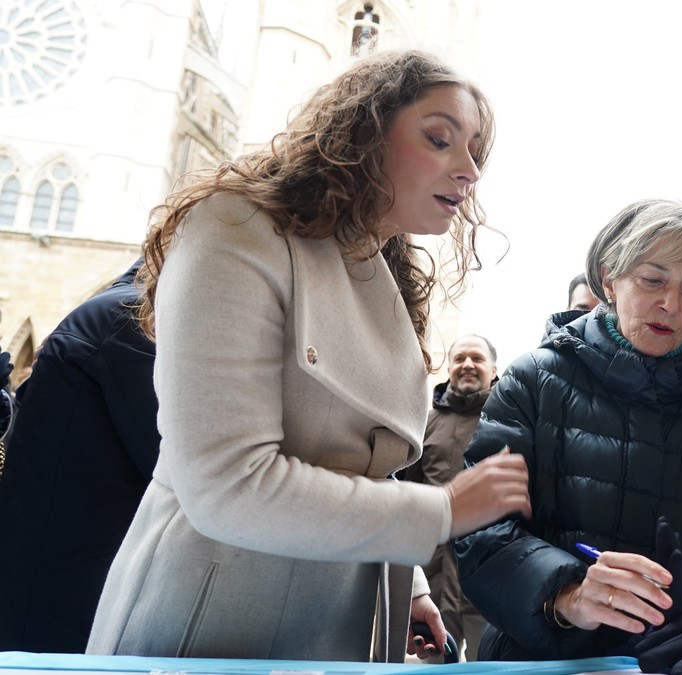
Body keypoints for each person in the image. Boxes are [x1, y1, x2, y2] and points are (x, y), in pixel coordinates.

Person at [86, 50, 531, 663]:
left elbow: (360, 465)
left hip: (331, 627)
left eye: (475, 153)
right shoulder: (236, 229)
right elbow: (224, 483)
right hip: (205, 625)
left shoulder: (382, 269)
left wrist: (410, 583)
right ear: (365, 132)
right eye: (439, 138)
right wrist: (443, 510)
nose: (468, 171)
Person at [456, 199, 682, 675]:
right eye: (652, 280)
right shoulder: (532, 381)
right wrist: (567, 594)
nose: (670, 304)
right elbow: (481, 532)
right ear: (609, 278)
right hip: (537, 661)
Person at [0, 260, 158, 653]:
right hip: (64, 600)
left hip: (62, 584)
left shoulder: (118, 315)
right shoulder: (130, 322)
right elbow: (193, 475)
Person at [403, 333, 499, 660]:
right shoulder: (424, 422)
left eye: (477, 358)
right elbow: (407, 494)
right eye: (459, 359)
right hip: (432, 580)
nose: (467, 365)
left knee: (487, 665)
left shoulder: (508, 421)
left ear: (494, 369)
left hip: (487, 580)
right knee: (434, 666)